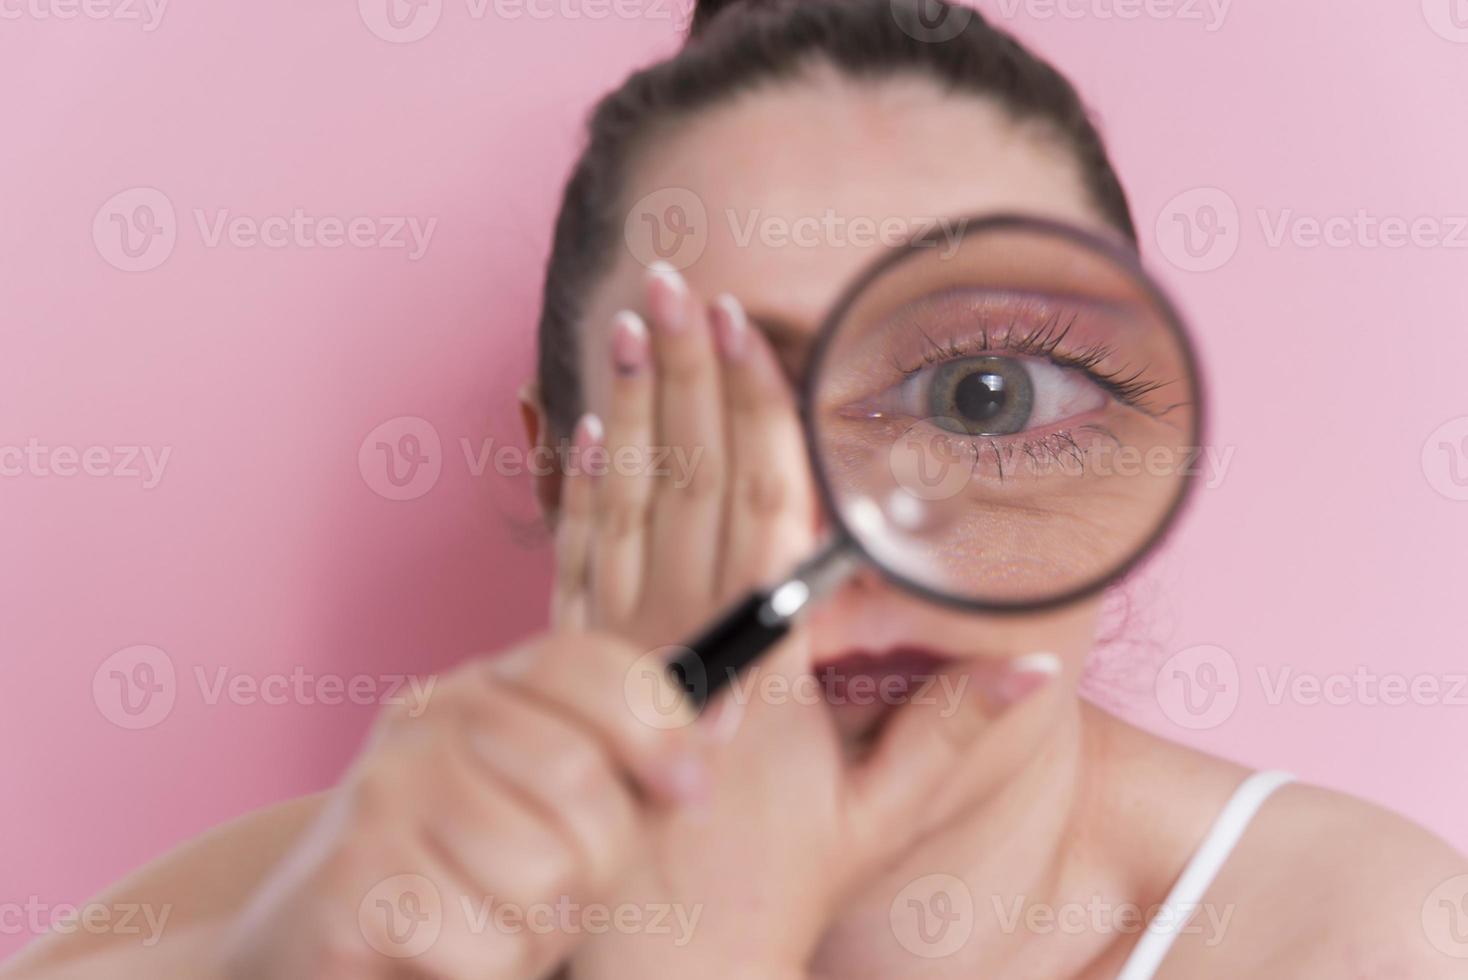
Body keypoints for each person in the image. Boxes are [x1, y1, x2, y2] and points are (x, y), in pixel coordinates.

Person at [8, 0, 1464, 976]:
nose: (859, 539)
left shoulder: (1371, 938)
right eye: (739, 404)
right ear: (565, 475)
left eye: (988, 395)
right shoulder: (313, 918)